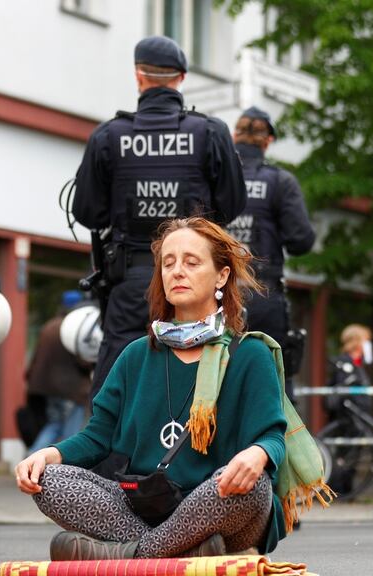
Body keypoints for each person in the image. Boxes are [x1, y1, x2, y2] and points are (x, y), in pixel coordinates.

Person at [15, 217, 300, 560]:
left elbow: (272, 439)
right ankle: (183, 552)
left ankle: (129, 556)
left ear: (222, 275)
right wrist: (48, 455)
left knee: (250, 487)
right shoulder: (136, 355)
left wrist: (257, 454)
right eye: (168, 262)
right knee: (51, 482)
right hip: (147, 504)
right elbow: (96, 438)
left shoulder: (250, 354)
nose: (177, 271)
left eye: (191, 262)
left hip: (221, 508)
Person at [72, 36, 247, 400]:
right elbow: (231, 206)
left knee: (115, 390)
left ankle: (116, 459)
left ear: (139, 77)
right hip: (195, 280)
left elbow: (87, 212)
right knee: (200, 377)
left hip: (131, 278)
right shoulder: (210, 132)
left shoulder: (108, 136)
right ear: (181, 78)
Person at [226, 107, 315, 397]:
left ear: (234, 135)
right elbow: (301, 240)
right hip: (263, 295)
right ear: (268, 141)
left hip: (217, 296)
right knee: (273, 385)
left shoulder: (216, 179)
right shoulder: (280, 182)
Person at [25, 291, 92, 453]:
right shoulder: (75, 329)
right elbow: (83, 361)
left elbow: (36, 358)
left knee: (54, 425)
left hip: (47, 388)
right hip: (71, 389)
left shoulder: (49, 326)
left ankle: (31, 458)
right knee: (71, 433)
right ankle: (65, 468)